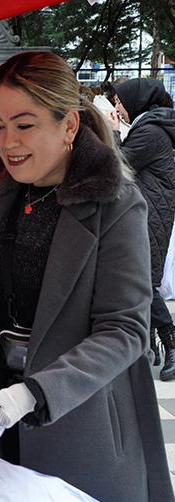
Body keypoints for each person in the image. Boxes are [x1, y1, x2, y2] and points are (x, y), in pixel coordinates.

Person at [0, 52, 173, 501]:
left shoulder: (115, 205)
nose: (8, 142)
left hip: (80, 418)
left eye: (25, 124)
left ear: (69, 126)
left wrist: (34, 393)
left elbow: (125, 329)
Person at [111, 78, 175, 378]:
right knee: (142, 279)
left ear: (136, 101)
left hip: (150, 213)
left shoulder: (149, 131)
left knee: (144, 282)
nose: (117, 108)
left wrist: (110, 132)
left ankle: (171, 343)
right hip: (150, 210)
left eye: (120, 102)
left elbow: (117, 163)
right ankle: (148, 348)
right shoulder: (151, 126)